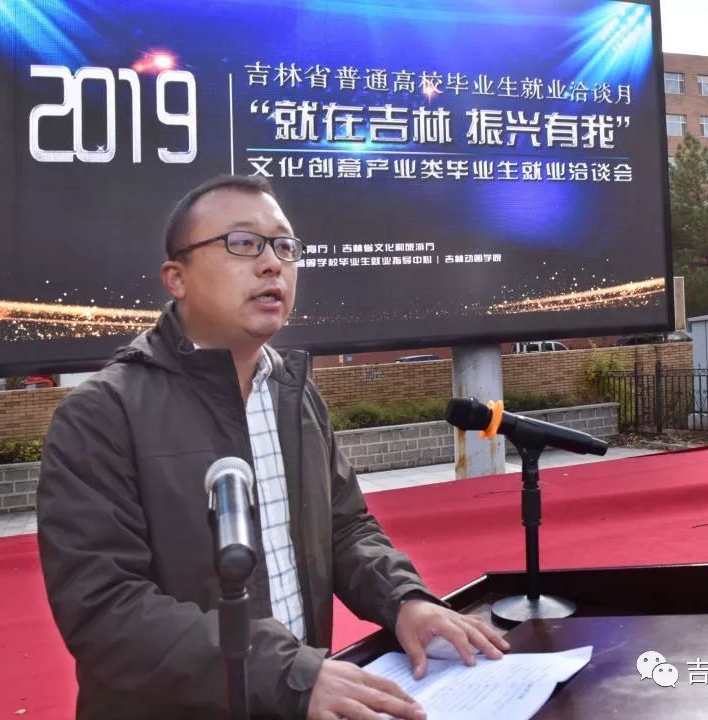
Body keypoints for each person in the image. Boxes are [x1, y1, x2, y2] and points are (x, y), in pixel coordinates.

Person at [36, 175, 509, 720]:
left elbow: (345, 528)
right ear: (176, 278)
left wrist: (404, 600)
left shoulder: (294, 394)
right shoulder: (101, 414)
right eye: (243, 243)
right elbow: (105, 610)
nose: (272, 264)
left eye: (285, 247)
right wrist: (289, 675)